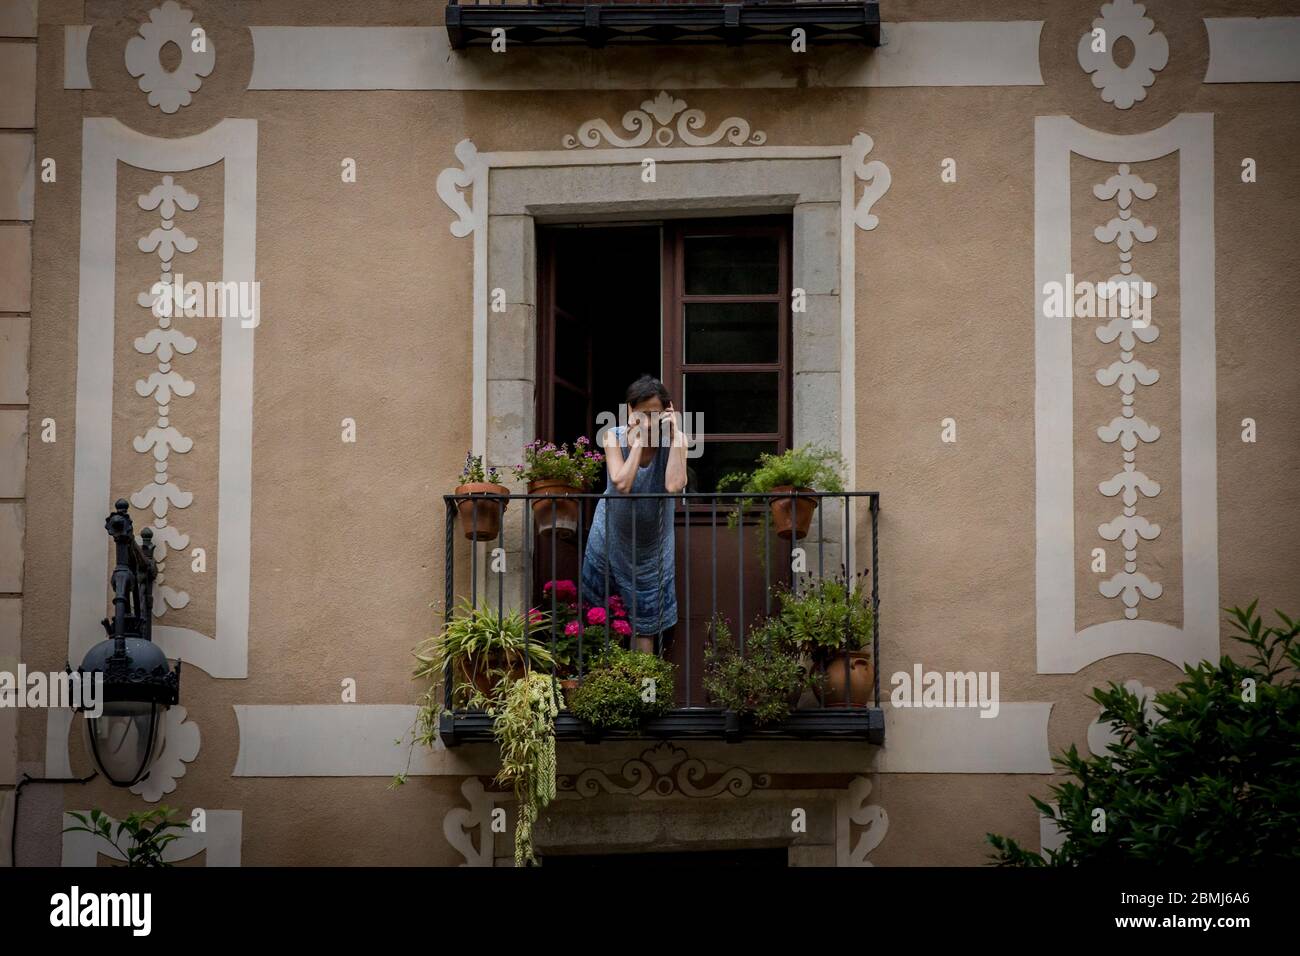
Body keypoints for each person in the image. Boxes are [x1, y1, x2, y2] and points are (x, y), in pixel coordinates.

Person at [581, 375, 688, 653]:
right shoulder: (612, 437)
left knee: (645, 628)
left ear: (667, 411)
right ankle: (608, 690)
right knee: (605, 622)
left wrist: (675, 437)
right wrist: (639, 441)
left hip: (652, 551)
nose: (648, 421)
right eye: (641, 413)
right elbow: (622, 483)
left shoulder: (677, 441)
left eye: (654, 413)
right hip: (610, 540)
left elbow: (674, 486)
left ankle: (642, 695)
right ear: (630, 411)